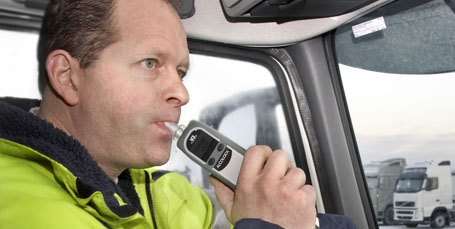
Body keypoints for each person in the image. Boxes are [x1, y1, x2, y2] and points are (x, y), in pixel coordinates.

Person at [0, 0, 355, 228]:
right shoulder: (17, 206)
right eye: (150, 63)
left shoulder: (164, 192)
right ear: (67, 77)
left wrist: (294, 215)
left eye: (180, 72)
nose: (182, 93)